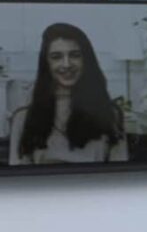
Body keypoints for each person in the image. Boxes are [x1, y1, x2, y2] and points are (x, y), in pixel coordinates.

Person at [8, 22, 127, 165]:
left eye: (75, 55)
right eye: (56, 57)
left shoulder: (111, 114)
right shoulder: (23, 119)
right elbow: (19, 181)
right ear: (46, 64)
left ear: (86, 60)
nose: (66, 64)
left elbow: (120, 176)